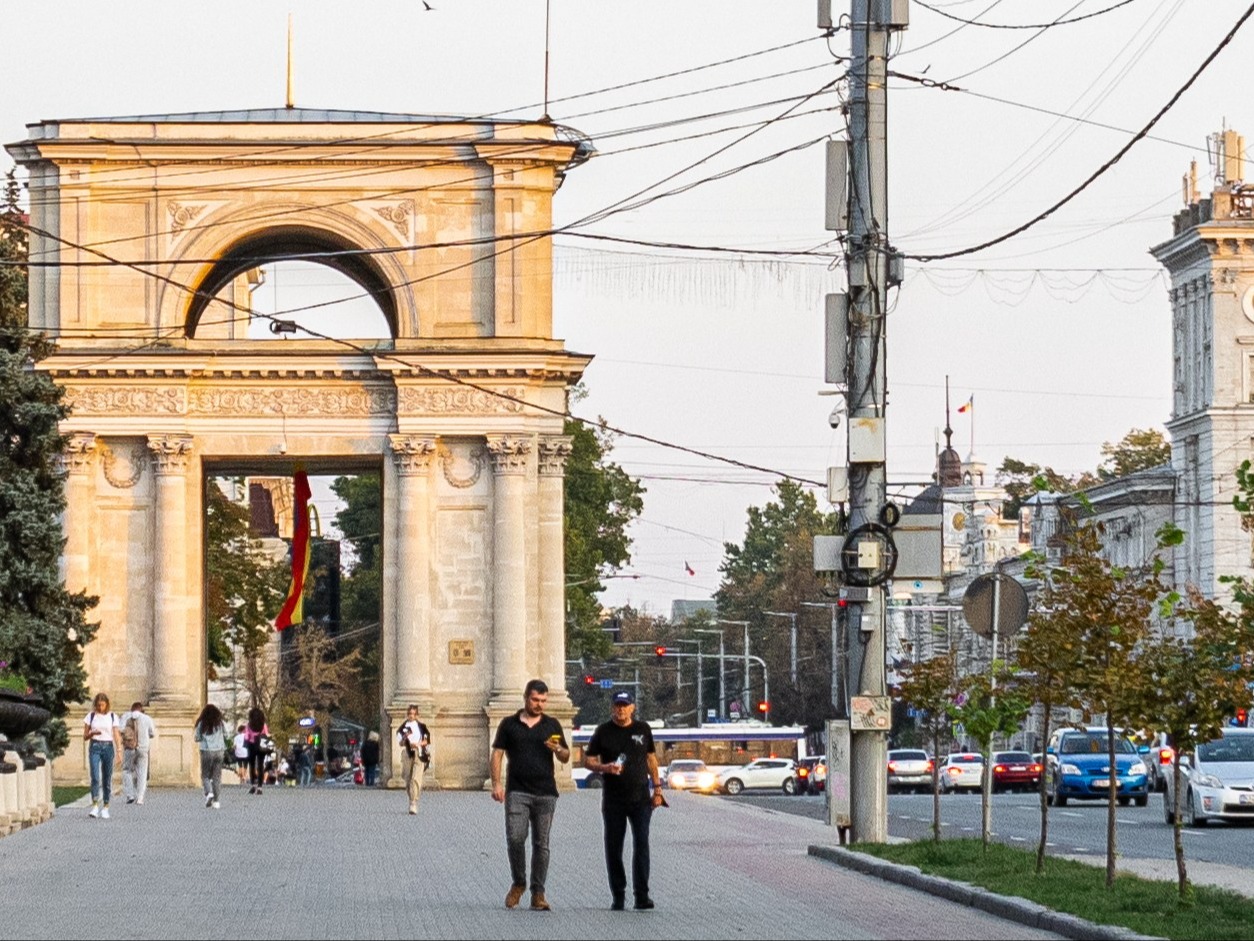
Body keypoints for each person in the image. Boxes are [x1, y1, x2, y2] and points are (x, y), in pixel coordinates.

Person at [490, 679, 569, 912]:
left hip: (546, 793)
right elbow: (497, 755)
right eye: (535, 699)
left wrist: (558, 750)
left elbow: (565, 756)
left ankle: (538, 892)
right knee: (515, 837)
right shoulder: (509, 724)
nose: (539, 704)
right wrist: (496, 783)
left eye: (544, 701)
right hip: (517, 791)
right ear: (526, 697)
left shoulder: (552, 725)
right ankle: (519, 882)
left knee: (541, 844)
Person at [584, 690, 665, 911]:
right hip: (613, 800)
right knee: (613, 847)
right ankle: (618, 895)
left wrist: (657, 789)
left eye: (625, 705)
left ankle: (642, 896)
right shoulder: (603, 731)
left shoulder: (642, 729)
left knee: (642, 844)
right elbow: (588, 761)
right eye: (618, 705)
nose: (621, 709)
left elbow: (651, 759)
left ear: (632, 707)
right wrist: (604, 768)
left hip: (640, 798)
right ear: (612, 707)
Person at [83, 692, 121, 819]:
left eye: (102, 705)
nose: (100, 708)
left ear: (107, 704)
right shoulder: (91, 716)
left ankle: (105, 805)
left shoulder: (112, 716)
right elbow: (85, 736)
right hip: (95, 746)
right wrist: (92, 733)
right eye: (98, 705)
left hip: (108, 747)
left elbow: (116, 734)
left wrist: (119, 751)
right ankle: (94, 805)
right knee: (95, 776)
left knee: (107, 777)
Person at [118, 701, 155, 806]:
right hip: (143, 748)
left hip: (129, 748)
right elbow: (152, 733)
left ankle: (130, 795)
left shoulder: (126, 716)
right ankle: (140, 798)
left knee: (127, 770)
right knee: (142, 773)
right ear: (141, 710)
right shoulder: (147, 719)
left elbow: (120, 730)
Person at [396, 705, 430, 815]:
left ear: (416, 715)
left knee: (416, 778)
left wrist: (419, 744)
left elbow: (427, 740)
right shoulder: (402, 728)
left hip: (419, 753)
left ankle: (413, 802)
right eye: (409, 713)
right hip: (407, 753)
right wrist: (405, 737)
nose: (411, 715)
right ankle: (411, 797)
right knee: (407, 778)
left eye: (413, 714)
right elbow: (400, 743)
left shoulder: (422, 726)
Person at [193, 703, 227, 809]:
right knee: (217, 777)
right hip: (219, 751)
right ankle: (216, 801)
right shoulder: (220, 723)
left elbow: (197, 738)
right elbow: (226, 735)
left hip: (207, 751)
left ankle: (209, 793)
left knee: (205, 775)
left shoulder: (202, 723)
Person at [243, 706, 269, 794]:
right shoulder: (263, 725)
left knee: (252, 765)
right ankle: (260, 787)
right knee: (260, 766)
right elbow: (266, 734)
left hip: (251, 745)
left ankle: (253, 784)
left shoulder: (249, 725)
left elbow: (246, 736)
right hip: (261, 745)